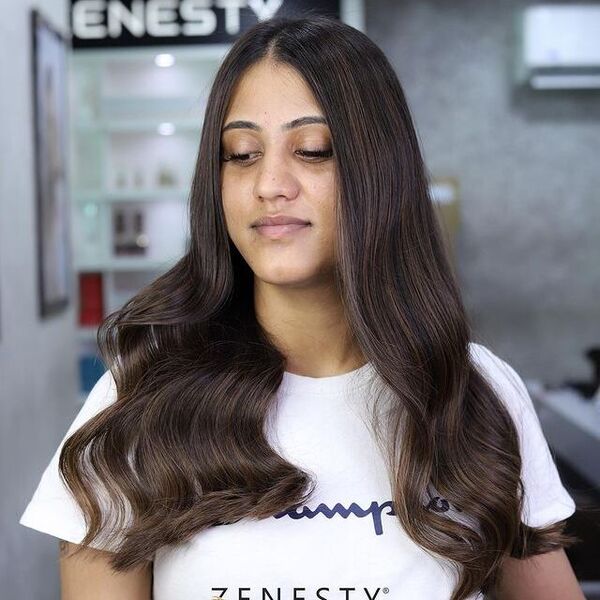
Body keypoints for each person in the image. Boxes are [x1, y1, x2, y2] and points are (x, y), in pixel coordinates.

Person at [19, 14, 585, 600]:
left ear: (379, 170)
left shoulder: (475, 393)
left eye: (312, 150)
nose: (270, 184)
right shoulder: (139, 397)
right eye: (240, 154)